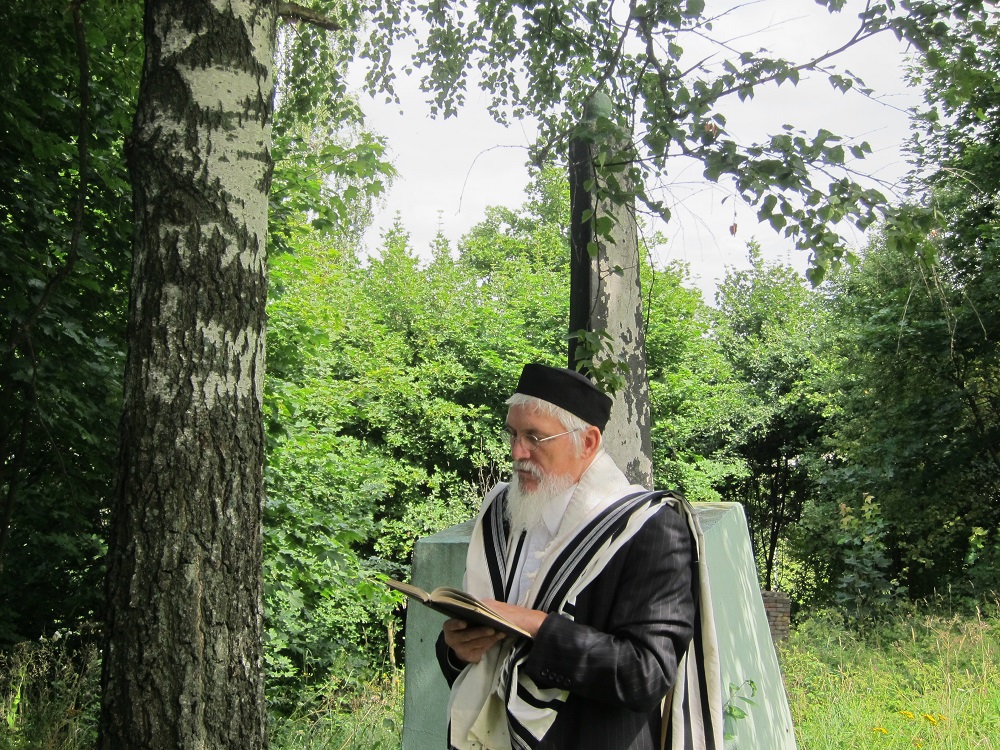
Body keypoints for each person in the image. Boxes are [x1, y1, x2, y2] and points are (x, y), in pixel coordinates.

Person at [436, 363, 719, 750]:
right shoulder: (503, 512)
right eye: (513, 434)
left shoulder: (649, 526)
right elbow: (483, 654)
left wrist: (536, 624)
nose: (518, 452)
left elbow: (645, 674)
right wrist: (456, 648)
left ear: (587, 442)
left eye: (535, 436)